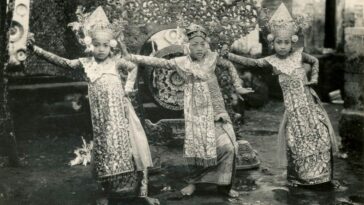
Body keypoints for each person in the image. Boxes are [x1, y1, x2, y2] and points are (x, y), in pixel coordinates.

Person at [27, 7, 159, 205]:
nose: (101, 49)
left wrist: (128, 90)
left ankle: (141, 193)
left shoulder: (116, 62)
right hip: (101, 119)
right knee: (105, 151)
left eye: (105, 45)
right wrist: (35, 50)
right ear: (90, 45)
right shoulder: (86, 63)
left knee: (134, 148)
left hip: (121, 115)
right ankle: (106, 192)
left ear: (110, 46)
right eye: (97, 45)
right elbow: (63, 62)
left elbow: (133, 68)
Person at [120, 23, 254, 198]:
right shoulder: (181, 63)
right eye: (194, 44)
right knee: (198, 150)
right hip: (196, 113)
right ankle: (194, 182)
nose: (199, 48)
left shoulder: (212, 59)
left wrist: (238, 86)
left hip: (216, 109)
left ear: (206, 44)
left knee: (228, 146)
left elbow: (228, 65)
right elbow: (157, 61)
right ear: (187, 46)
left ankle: (224, 186)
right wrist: (129, 55)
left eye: (202, 44)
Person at [221, 3, 339, 187]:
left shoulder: (299, 55)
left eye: (286, 42)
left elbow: (315, 60)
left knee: (321, 137)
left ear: (292, 41)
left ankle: (323, 177)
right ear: (272, 43)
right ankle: (303, 178)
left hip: (310, 105)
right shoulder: (272, 61)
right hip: (293, 112)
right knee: (296, 142)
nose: (283, 46)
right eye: (278, 42)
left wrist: (314, 77)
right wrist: (229, 55)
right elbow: (250, 62)